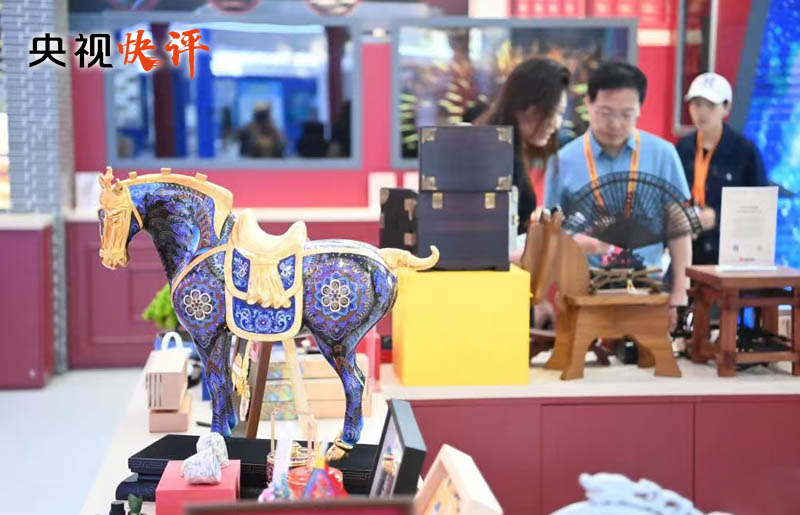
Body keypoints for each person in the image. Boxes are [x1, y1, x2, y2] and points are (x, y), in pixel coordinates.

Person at [544, 61, 693, 325]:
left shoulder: (663, 154)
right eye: (605, 113)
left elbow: (679, 229)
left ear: (640, 109)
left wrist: (680, 292)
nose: (615, 124)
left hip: (648, 290)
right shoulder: (562, 161)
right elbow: (549, 234)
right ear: (589, 103)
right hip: (582, 294)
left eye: (627, 115)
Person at [676, 72, 768, 265]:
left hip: (731, 254)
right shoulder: (681, 149)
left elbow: (761, 207)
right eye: (696, 104)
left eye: (710, 105)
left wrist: (718, 217)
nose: (702, 112)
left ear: (726, 108)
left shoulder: (745, 152)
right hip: (688, 251)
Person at [480, 57, 571, 235]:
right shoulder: (500, 157)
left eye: (561, 114)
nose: (557, 124)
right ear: (527, 106)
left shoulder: (501, 147)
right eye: (554, 112)